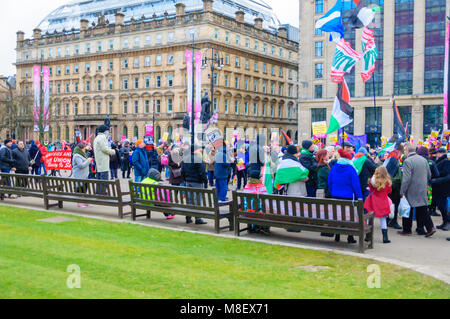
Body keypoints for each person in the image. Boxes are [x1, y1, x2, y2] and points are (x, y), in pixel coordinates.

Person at [399, 144, 436, 238]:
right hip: (422, 188)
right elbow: (429, 174)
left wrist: (402, 191)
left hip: (411, 189)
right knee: (423, 209)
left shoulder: (408, 161)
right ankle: (430, 227)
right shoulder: (423, 160)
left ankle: (407, 230)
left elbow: (406, 179)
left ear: (407, 151)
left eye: (405, 151)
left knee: (407, 209)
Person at [328, 148, 363, 244]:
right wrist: (360, 197)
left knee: (338, 215)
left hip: (335, 195)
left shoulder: (334, 167)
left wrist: (332, 192)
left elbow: (329, 182)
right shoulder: (351, 169)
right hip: (348, 197)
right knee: (349, 216)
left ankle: (337, 235)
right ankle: (350, 236)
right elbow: (356, 185)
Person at [364, 166, 393, 244]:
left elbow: (370, 188)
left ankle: (367, 236)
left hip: (372, 201)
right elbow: (389, 191)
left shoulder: (373, 180)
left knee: (370, 218)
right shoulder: (387, 182)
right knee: (383, 220)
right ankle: (385, 238)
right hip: (382, 202)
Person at [181, 144, 208, 225]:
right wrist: (205, 181)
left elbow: (182, 171)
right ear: (195, 150)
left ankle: (188, 217)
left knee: (189, 199)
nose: (199, 150)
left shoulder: (185, 158)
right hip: (197, 182)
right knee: (197, 200)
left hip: (188, 181)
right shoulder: (198, 159)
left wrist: (185, 179)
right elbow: (202, 172)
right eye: (198, 149)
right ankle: (198, 218)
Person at [384, 149, 403, 230]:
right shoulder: (394, 161)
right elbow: (395, 175)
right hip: (394, 187)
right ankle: (393, 221)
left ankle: (388, 220)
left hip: (389, 186)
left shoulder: (389, 161)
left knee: (390, 204)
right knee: (394, 204)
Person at [432, 148, 449, 231]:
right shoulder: (439, 161)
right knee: (440, 205)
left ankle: (446, 222)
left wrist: (436, 174)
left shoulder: (446, 161)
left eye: (438, 153)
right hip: (438, 187)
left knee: (442, 205)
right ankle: (444, 222)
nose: (436, 154)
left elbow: (446, 172)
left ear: (442, 153)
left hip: (443, 187)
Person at [72, 143, 94, 208]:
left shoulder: (82, 154)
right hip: (79, 175)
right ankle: (78, 203)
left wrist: (90, 151)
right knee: (80, 189)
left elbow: (91, 155)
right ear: (80, 149)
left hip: (85, 175)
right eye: (84, 149)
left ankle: (85, 202)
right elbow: (81, 165)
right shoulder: (76, 156)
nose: (85, 150)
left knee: (84, 189)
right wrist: (88, 161)